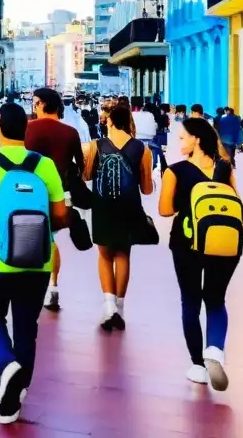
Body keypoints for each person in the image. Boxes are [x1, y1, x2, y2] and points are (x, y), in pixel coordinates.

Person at [0, 103, 68, 425]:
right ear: (26, 129)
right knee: (27, 327)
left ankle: (5, 364)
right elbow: (61, 215)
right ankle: (14, 398)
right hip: (38, 261)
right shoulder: (45, 166)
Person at [159, 118, 241, 390]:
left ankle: (197, 364)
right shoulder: (224, 167)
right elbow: (235, 202)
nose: (179, 143)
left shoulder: (176, 171)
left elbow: (164, 210)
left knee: (191, 301)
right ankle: (215, 349)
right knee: (216, 300)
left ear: (196, 139)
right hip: (225, 243)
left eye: (182, 138)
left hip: (186, 243)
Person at [83, 105, 154, 331]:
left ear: (109, 122)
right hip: (130, 206)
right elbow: (147, 189)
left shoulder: (96, 145)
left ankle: (108, 306)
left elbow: (85, 175)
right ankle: (120, 308)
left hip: (102, 206)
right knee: (123, 253)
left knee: (104, 254)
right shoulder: (142, 148)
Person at [26, 88, 84, 313]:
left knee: (27, 237)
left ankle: (29, 287)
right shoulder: (70, 132)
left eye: (34, 103)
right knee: (49, 239)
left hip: (28, 193)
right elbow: (80, 166)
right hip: (59, 194)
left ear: (41, 104)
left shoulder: (28, 129)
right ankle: (53, 287)